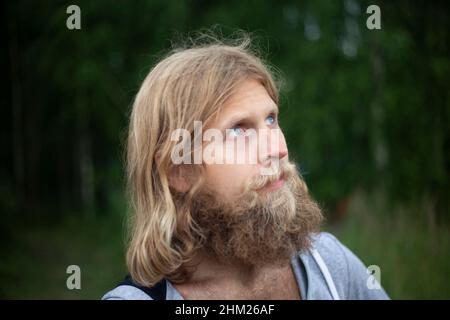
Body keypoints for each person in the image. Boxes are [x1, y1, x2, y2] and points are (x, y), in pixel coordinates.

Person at [102, 35, 389, 300]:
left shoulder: (329, 265)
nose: (277, 150)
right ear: (178, 170)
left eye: (271, 119)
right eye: (239, 130)